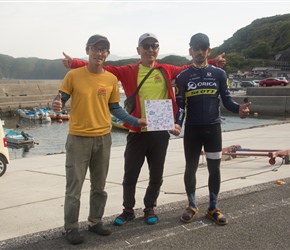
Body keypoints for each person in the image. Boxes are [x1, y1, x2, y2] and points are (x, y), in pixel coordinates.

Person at [61, 32, 227, 227]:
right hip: (137, 131)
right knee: (130, 175)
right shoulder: (129, 70)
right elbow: (103, 66)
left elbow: (191, 67)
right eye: (146, 46)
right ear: (138, 50)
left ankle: (150, 207)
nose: (150, 49)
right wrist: (75, 63)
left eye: (154, 46)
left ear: (158, 49)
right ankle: (128, 210)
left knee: (156, 175)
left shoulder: (166, 69)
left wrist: (214, 61)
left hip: (160, 133)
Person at [52, 34, 147, 245]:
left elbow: (115, 109)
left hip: (103, 138)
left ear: (107, 54)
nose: (99, 53)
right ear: (87, 51)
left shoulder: (111, 79)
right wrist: (56, 105)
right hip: (78, 139)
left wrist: (134, 120)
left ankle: (95, 222)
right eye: (95, 49)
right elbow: (60, 99)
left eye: (103, 50)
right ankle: (71, 227)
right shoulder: (74, 76)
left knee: (99, 186)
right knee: (74, 187)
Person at [173, 33, 251, 226]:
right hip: (192, 130)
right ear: (190, 51)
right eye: (196, 48)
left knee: (214, 169)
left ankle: (212, 208)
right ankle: (192, 206)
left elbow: (227, 101)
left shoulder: (219, 74)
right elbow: (181, 106)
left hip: (213, 129)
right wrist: (177, 123)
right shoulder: (182, 77)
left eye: (203, 48)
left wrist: (239, 110)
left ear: (208, 51)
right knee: (190, 168)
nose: (200, 52)